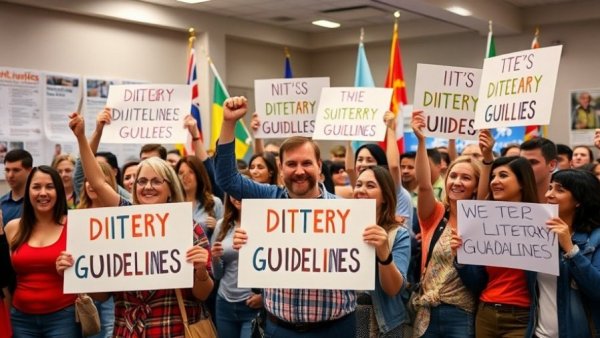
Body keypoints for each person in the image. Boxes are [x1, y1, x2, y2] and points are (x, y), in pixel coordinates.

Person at [59, 112, 214, 337]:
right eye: (142, 181)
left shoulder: (189, 228)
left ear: (170, 188)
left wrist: (200, 270)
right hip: (128, 331)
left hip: (174, 329)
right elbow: (97, 181)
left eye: (156, 181)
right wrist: (83, 137)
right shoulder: (122, 220)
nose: (147, 187)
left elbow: (202, 294)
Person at [215, 96, 356, 337]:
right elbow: (227, 179)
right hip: (279, 329)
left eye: (306, 163)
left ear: (320, 166)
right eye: (291, 164)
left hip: (336, 328)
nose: (299, 171)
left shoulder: (345, 213)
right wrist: (229, 123)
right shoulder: (269, 199)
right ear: (280, 168)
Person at [410, 111, 481, 338]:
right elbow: (423, 185)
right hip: (426, 313)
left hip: (462, 315)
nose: (457, 182)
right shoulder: (435, 215)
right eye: (453, 176)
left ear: (477, 187)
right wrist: (422, 142)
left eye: (466, 178)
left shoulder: (483, 221)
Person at [454, 156, 539, 338]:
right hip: (486, 314)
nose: (495, 181)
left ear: (522, 182)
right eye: (493, 176)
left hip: (522, 317)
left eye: (503, 175)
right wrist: (461, 258)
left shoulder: (540, 223)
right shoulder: (483, 223)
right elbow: (475, 281)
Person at [5, 166, 81, 337]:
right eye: (36, 187)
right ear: (28, 191)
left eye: (50, 187)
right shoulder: (12, 228)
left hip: (64, 317)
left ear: (59, 191)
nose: (43, 193)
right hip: (20, 318)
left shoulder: (75, 226)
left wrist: (71, 272)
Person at [525, 169, 600, 337]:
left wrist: (570, 248)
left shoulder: (596, 238)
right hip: (538, 334)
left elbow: (597, 289)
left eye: (559, 190)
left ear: (579, 200)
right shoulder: (538, 233)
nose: (549, 194)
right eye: (550, 188)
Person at [354, 166, 410, 337]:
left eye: (370, 186)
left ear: (385, 196)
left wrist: (383, 252)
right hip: (348, 317)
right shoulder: (339, 228)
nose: (361, 190)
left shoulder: (398, 234)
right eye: (358, 184)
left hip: (385, 321)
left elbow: (393, 289)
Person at [75, 161, 118, 338]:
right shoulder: (77, 215)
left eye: (98, 180)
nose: (91, 184)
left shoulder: (121, 213)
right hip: (86, 291)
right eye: (87, 180)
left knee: (110, 332)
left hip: (114, 290)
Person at [211, 195, 262, 338]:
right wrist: (215, 258)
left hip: (251, 304)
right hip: (224, 302)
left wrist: (264, 297)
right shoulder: (222, 225)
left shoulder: (263, 224)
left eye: (242, 193)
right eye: (233, 193)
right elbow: (217, 275)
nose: (237, 197)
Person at [176, 155, 223, 238]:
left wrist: (217, 227)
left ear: (199, 175)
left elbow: (225, 235)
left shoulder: (214, 202)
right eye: (181, 173)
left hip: (206, 250)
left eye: (191, 172)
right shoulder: (172, 203)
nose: (185, 176)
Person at [519, 137, 557, 202]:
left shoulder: (565, 201)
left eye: (533, 162)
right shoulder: (510, 198)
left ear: (552, 165)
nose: (525, 167)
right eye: (522, 162)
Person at [1, 149, 33, 226]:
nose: (10, 175)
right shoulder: (1, 203)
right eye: (7, 170)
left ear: (30, 171)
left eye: (16, 170)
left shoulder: (37, 202)